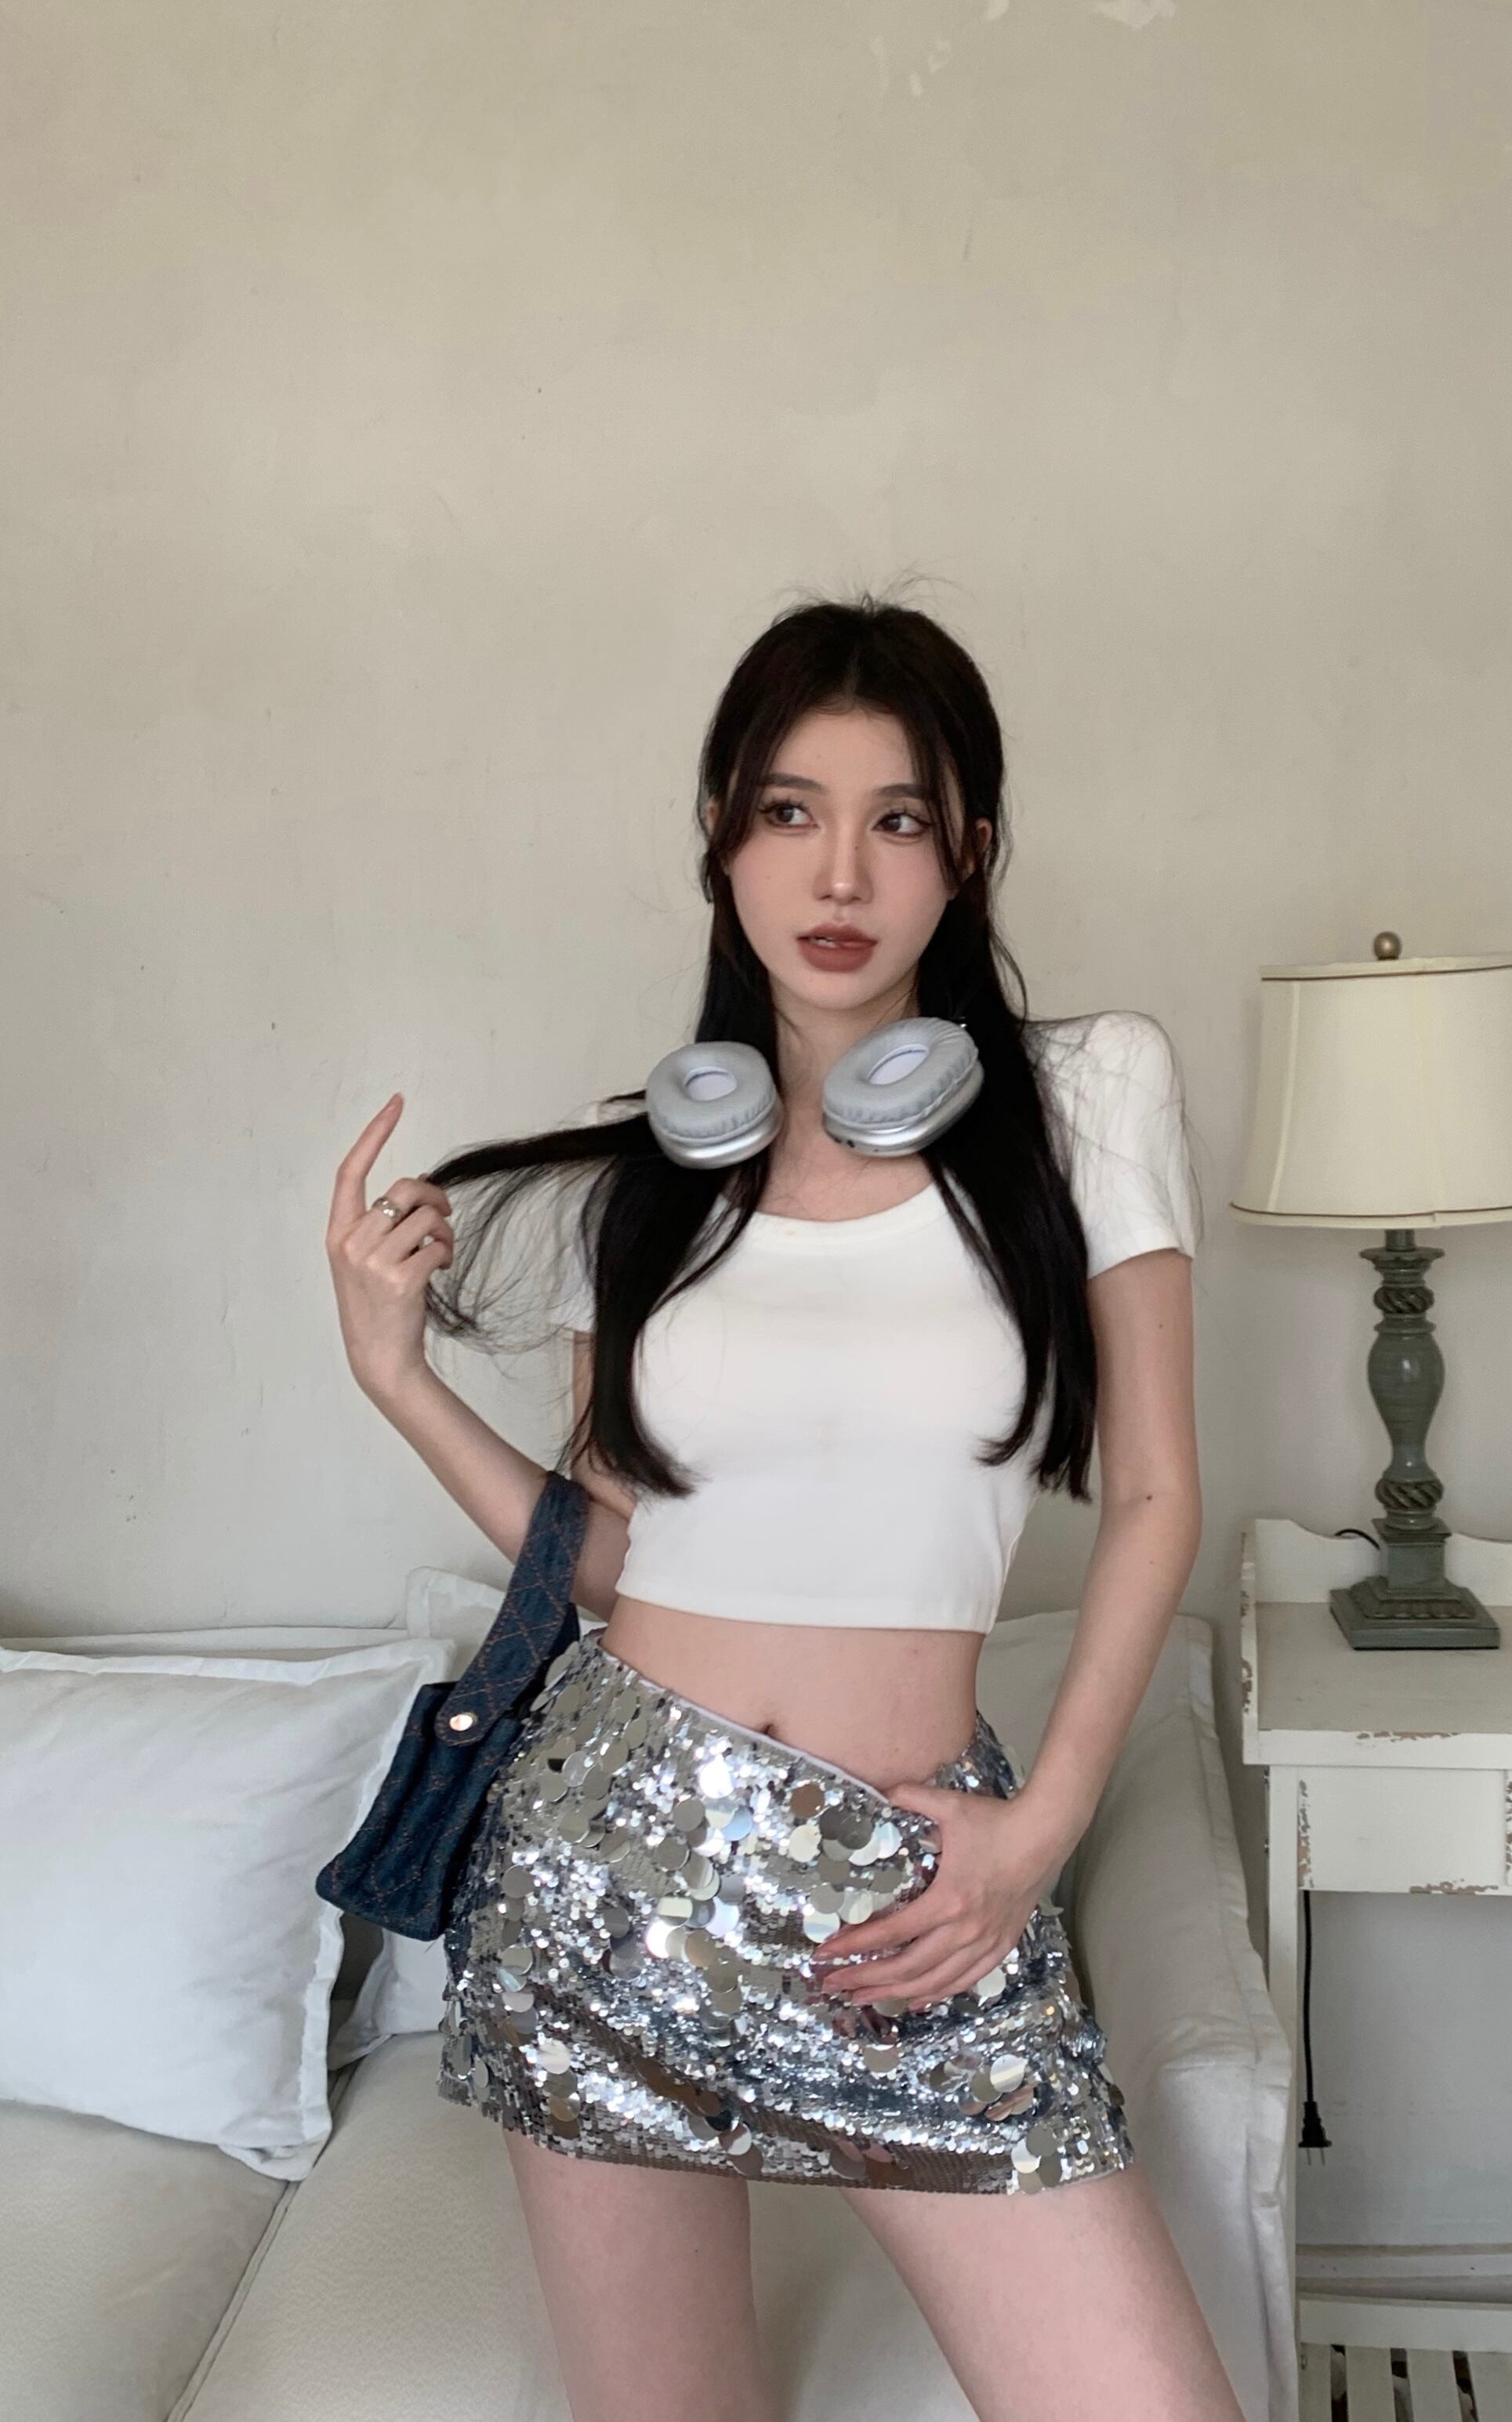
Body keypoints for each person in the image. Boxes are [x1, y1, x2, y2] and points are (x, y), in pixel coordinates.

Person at [325, 594, 1243, 2422]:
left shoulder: (1087, 1095)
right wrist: (398, 1379)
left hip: (913, 1887)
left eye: (897, 818)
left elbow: (1153, 1490)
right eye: (786, 812)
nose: (840, 872)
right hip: (601, 1879)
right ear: (720, 842)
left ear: (968, 851)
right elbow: (613, 1561)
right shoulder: (647, 1184)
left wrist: (1038, 1830)